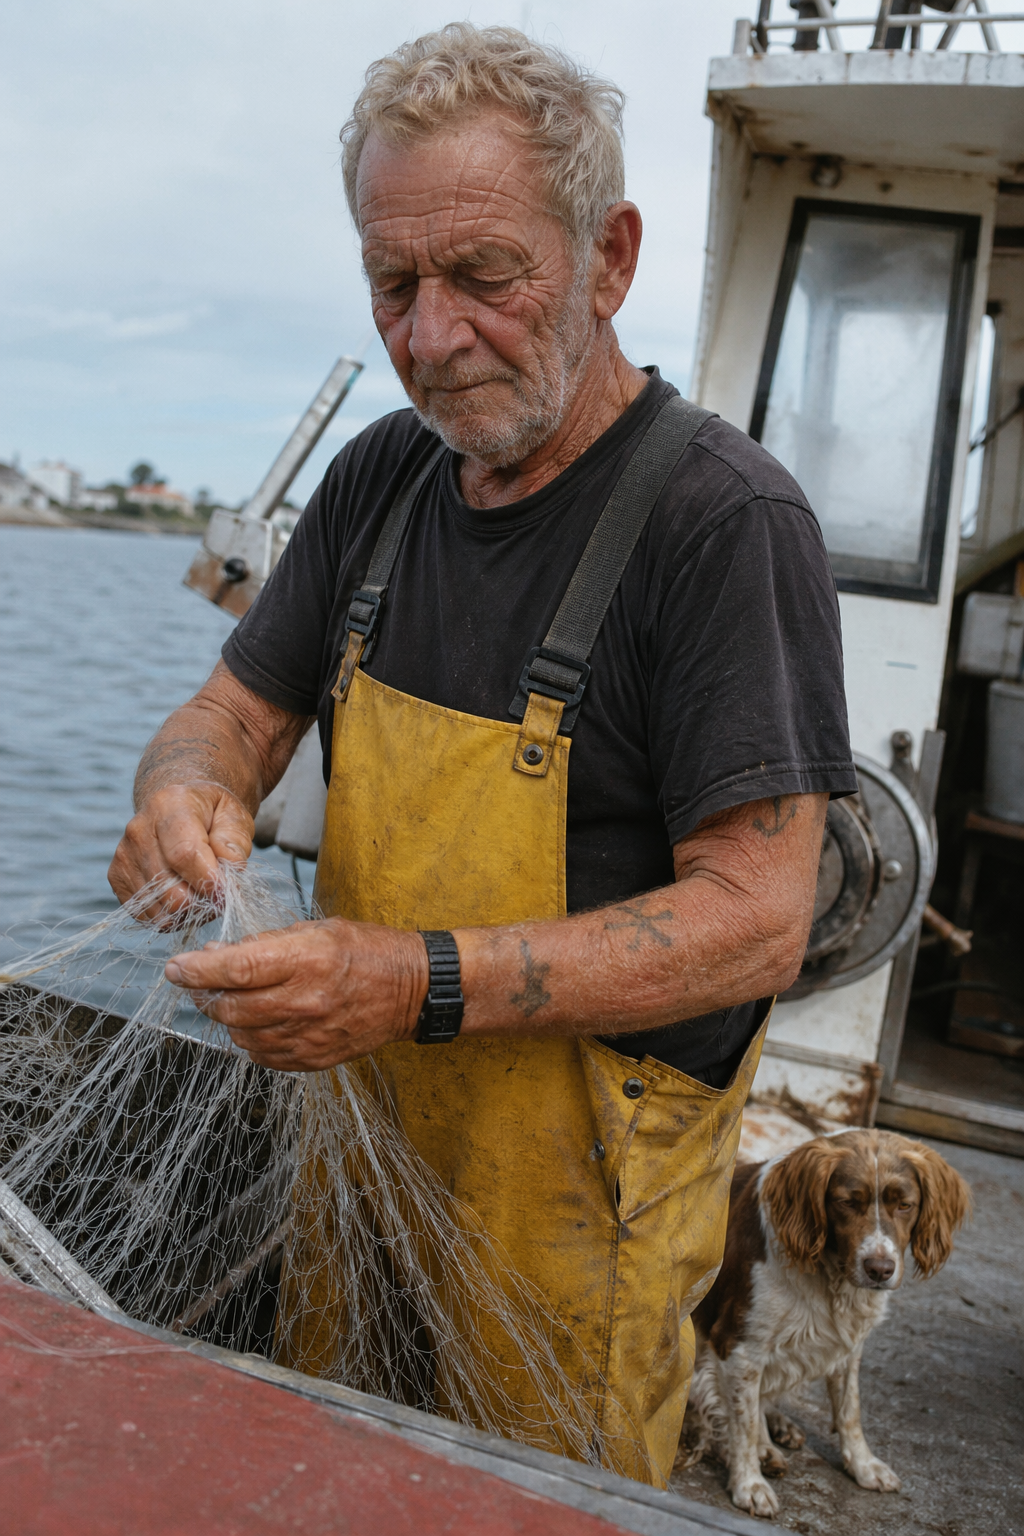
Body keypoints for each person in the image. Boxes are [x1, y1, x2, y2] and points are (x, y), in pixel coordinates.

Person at [109, 23, 857, 1486]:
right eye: (393, 283)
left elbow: (762, 918)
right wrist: (180, 793)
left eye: (483, 278)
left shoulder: (723, 527)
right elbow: (232, 718)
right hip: (369, 1141)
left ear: (609, 256)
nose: (429, 336)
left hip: (577, 1212)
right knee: (337, 1471)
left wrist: (410, 981)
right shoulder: (382, 480)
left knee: (524, 1508)